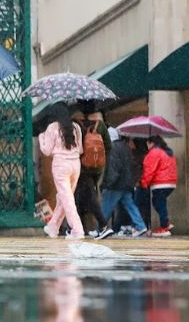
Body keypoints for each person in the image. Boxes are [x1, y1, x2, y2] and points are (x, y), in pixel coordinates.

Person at [38, 102, 85, 239]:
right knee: (63, 198)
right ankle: (53, 227)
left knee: (67, 198)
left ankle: (77, 229)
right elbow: (81, 149)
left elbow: (46, 151)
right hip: (75, 164)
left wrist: (41, 138)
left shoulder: (53, 127)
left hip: (60, 166)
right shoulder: (76, 127)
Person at [98, 128, 148, 239]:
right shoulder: (125, 147)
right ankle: (140, 226)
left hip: (116, 184)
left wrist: (107, 183)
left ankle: (100, 228)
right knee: (130, 205)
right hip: (126, 183)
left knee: (106, 206)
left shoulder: (113, 148)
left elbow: (113, 168)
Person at [73, 101, 111, 235]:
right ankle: (80, 227)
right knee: (82, 196)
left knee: (85, 197)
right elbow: (108, 146)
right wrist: (98, 158)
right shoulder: (100, 125)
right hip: (96, 168)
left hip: (80, 167)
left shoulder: (76, 124)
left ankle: (102, 224)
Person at [141, 135, 178, 237]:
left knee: (159, 203)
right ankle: (166, 223)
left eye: (147, 143)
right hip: (170, 182)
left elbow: (149, 170)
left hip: (160, 183)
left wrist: (144, 182)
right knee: (158, 202)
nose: (147, 146)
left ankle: (164, 227)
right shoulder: (168, 151)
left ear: (151, 143)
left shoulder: (154, 152)